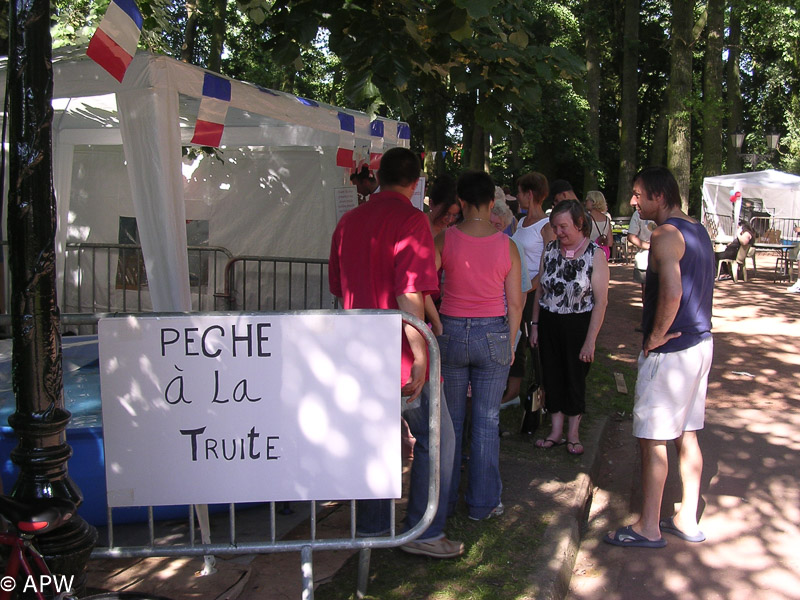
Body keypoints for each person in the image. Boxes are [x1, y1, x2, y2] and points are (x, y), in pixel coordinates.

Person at [328, 147, 463, 558]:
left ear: (380, 176)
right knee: (438, 439)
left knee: (375, 440)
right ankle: (423, 531)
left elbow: (341, 287)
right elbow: (408, 291)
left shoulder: (349, 221)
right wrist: (421, 349)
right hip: (399, 354)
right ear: (415, 180)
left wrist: (430, 313)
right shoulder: (411, 220)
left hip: (358, 350)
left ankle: (373, 529)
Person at [605, 166, 714, 549]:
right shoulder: (699, 231)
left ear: (661, 197)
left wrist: (653, 337)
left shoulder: (666, 236)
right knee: (688, 433)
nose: (634, 201)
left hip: (672, 351)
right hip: (701, 343)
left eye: (639, 195)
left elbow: (671, 293)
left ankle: (648, 526)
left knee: (653, 438)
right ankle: (686, 518)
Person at [435, 170, 523, 521]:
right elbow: (515, 303)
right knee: (486, 421)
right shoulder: (508, 245)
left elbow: (423, 284)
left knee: (452, 423)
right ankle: (482, 504)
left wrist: (437, 320)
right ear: (490, 202)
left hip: (451, 332)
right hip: (493, 335)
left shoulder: (445, 239)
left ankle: (443, 503)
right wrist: (511, 341)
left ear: (462, 202)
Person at [530, 199, 609, 456]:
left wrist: (590, 340)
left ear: (579, 224)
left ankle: (573, 433)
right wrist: (535, 325)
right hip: (550, 320)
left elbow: (600, 302)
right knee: (552, 374)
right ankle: (555, 431)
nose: (559, 232)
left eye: (564, 227)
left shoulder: (594, 254)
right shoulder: (550, 250)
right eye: (555, 227)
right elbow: (540, 290)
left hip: (578, 323)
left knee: (575, 377)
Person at [506, 172, 555, 407]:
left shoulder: (546, 226)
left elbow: (548, 266)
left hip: (532, 292)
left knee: (525, 339)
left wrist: (527, 288)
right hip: (518, 289)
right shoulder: (521, 221)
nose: (517, 196)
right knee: (516, 337)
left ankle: (537, 392)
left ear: (530, 194)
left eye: (520, 192)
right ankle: (513, 390)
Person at [627, 208, 656, 303]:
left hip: (662, 259)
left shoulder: (665, 210)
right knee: (646, 292)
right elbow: (631, 236)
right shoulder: (638, 213)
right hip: (644, 259)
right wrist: (649, 246)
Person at [585, 191, 612, 260]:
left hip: (588, 254)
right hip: (602, 254)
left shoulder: (586, 219)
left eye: (587, 200)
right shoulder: (607, 219)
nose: (585, 202)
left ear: (593, 202)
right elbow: (610, 242)